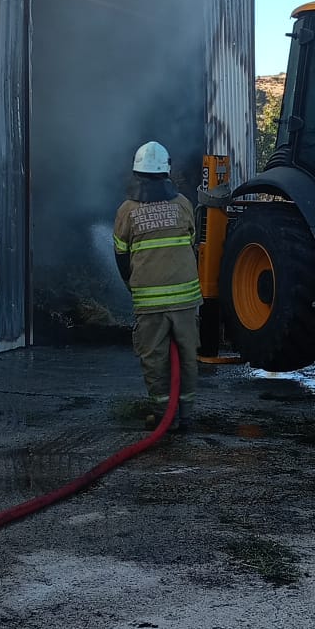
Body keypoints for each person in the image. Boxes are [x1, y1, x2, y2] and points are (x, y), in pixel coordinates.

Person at [113, 141, 200, 432]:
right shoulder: (184, 204)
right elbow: (191, 242)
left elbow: (121, 254)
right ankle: (186, 414)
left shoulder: (127, 210)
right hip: (187, 297)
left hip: (150, 301)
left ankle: (164, 415)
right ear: (167, 172)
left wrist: (131, 284)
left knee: (154, 358)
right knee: (187, 356)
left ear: (137, 174)